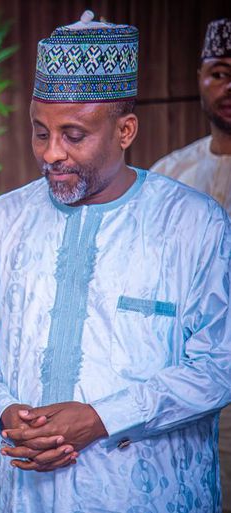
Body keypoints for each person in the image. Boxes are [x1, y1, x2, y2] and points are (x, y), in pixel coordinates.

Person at [0, 11, 231, 512]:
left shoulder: (192, 224)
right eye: (40, 132)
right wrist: (5, 411)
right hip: (26, 495)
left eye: (74, 136)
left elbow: (219, 364)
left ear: (125, 130)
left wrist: (102, 418)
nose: (52, 153)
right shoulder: (1, 222)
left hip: (147, 497)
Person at [151, 18, 231, 512]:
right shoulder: (170, 176)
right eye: (219, 73)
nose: (229, 86)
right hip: (183, 394)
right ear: (199, 79)